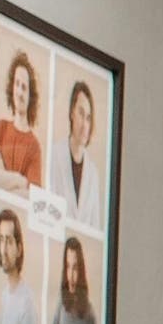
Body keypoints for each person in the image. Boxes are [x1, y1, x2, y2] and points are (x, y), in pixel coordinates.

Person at [0, 51, 43, 189]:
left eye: (24, 87)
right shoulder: (1, 127)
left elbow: (32, 196)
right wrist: (19, 181)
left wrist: (3, 179)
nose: (19, 92)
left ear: (30, 96)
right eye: (17, 84)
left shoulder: (34, 146)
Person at [58, 81, 104, 221]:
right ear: (72, 112)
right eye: (81, 113)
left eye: (88, 118)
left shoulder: (93, 174)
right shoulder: (54, 156)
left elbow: (94, 226)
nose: (85, 124)